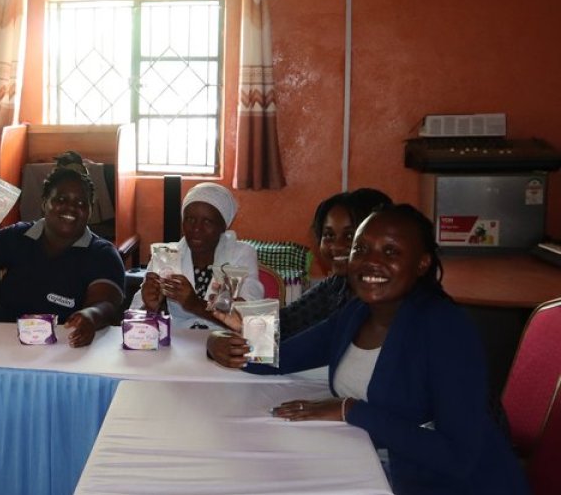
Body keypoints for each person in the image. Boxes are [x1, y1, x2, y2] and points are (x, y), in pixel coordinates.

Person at [207, 205, 528, 494]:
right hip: (375, 463)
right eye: (361, 249)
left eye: (391, 252)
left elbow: (458, 456)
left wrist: (350, 410)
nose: (371, 261)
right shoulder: (357, 312)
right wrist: (220, 341)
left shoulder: (445, 329)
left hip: (451, 484)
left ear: (422, 263)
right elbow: (280, 358)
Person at [0, 152, 125, 347]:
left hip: (66, 347)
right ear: (44, 203)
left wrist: (90, 316)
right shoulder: (17, 236)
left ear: (90, 211)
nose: (71, 208)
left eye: (81, 203)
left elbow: (106, 303)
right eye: (61, 199)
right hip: (7, 345)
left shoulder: (102, 253)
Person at [129, 182, 261, 329]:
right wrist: (150, 307)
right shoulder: (166, 256)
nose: (197, 228)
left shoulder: (239, 255)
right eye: (190, 219)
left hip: (223, 345)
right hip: (179, 344)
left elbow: (250, 319)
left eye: (207, 222)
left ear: (223, 226)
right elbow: (134, 320)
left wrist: (195, 304)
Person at [280, 188, 391, 338]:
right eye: (329, 235)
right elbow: (285, 321)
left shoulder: (382, 300)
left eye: (350, 235)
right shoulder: (337, 285)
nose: (337, 245)